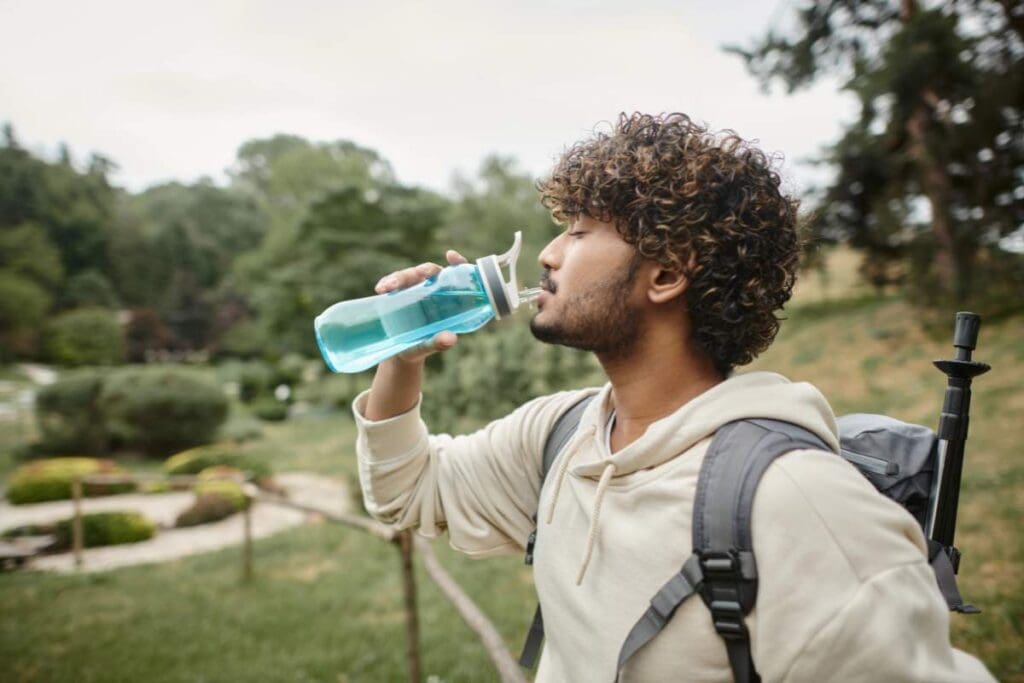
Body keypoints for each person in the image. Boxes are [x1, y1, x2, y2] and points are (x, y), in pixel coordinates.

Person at [351, 113, 993, 681]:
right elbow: (405, 491)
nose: (547, 254)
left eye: (580, 232)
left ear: (665, 274)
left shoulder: (798, 503)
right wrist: (402, 358)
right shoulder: (561, 435)